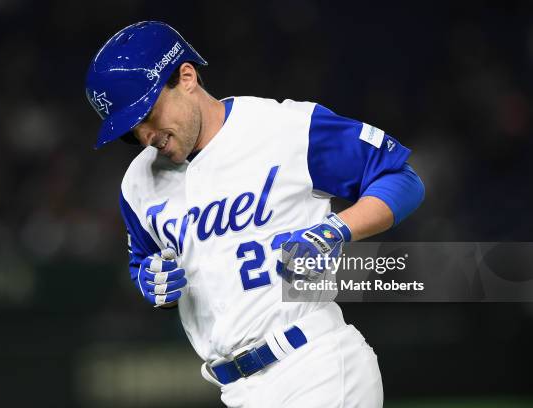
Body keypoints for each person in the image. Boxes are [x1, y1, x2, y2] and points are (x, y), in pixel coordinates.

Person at [85, 21, 424, 408]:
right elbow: (143, 260)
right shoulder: (138, 184)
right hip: (237, 390)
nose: (146, 134)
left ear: (187, 76)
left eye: (148, 113)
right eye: (131, 129)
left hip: (314, 365)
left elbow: (400, 177)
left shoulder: (284, 128)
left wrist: (336, 229)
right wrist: (150, 282)